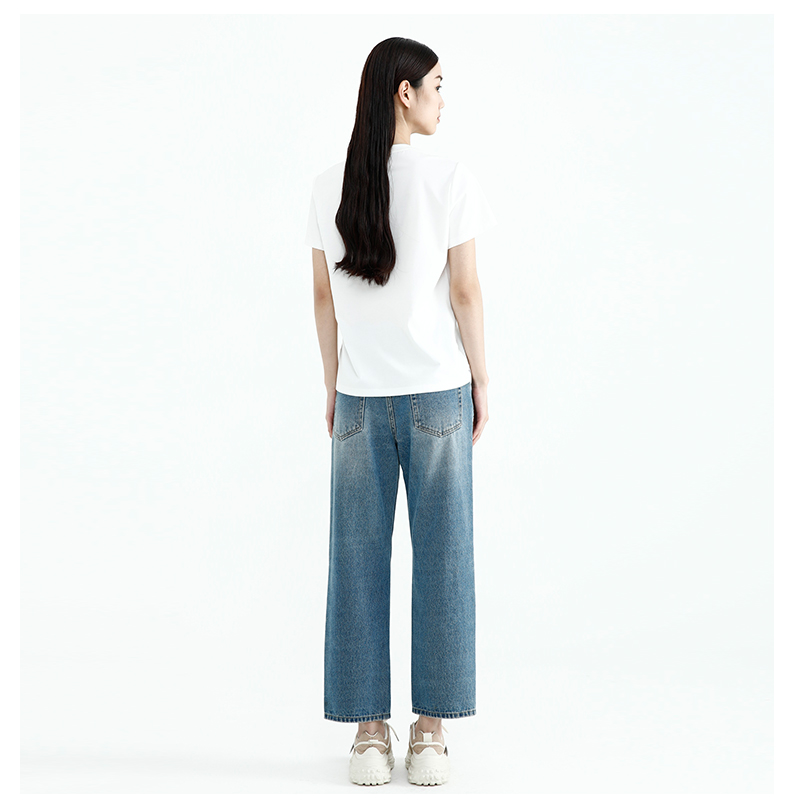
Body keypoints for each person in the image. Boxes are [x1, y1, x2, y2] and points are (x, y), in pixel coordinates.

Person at [304, 36, 496, 787]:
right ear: (404, 93)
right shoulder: (449, 178)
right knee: (443, 556)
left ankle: (368, 736)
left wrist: (332, 384)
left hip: (359, 396)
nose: (443, 100)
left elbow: (323, 299)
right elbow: (466, 292)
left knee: (356, 560)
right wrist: (484, 380)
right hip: (438, 394)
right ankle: (431, 735)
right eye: (437, 85)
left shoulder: (328, 185)